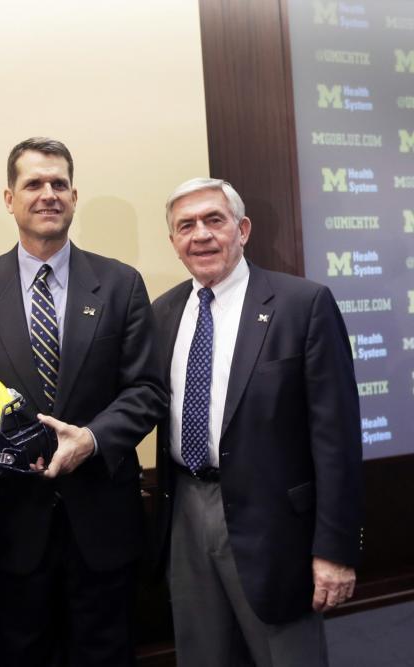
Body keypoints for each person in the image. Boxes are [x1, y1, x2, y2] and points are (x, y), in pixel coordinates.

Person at [0, 137, 166, 666]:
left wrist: (91, 439)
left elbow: (147, 390)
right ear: (9, 198)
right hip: (11, 521)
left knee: (106, 652)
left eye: (59, 184)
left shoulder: (119, 284)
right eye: (33, 184)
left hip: (102, 518)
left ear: (73, 195)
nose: (48, 194)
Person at [152, 177, 363, 666]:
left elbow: (337, 440)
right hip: (185, 512)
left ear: (242, 229)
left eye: (214, 220)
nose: (200, 235)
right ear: (174, 243)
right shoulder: (162, 313)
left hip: (275, 528)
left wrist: (335, 549)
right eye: (186, 225)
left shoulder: (302, 305)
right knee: (202, 654)